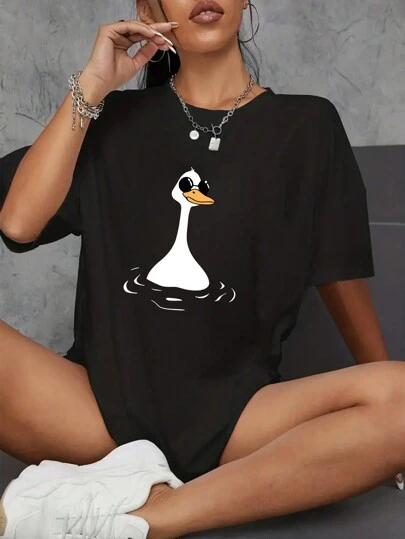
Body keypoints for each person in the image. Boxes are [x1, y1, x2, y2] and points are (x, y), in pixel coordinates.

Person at [0, 1, 404, 537]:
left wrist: (390, 423)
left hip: (238, 423)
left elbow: (338, 271)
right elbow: (19, 224)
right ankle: (131, 482)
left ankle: (147, 518)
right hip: (94, 414)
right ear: (149, 8)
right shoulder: (110, 119)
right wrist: (93, 87)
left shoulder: (306, 126)